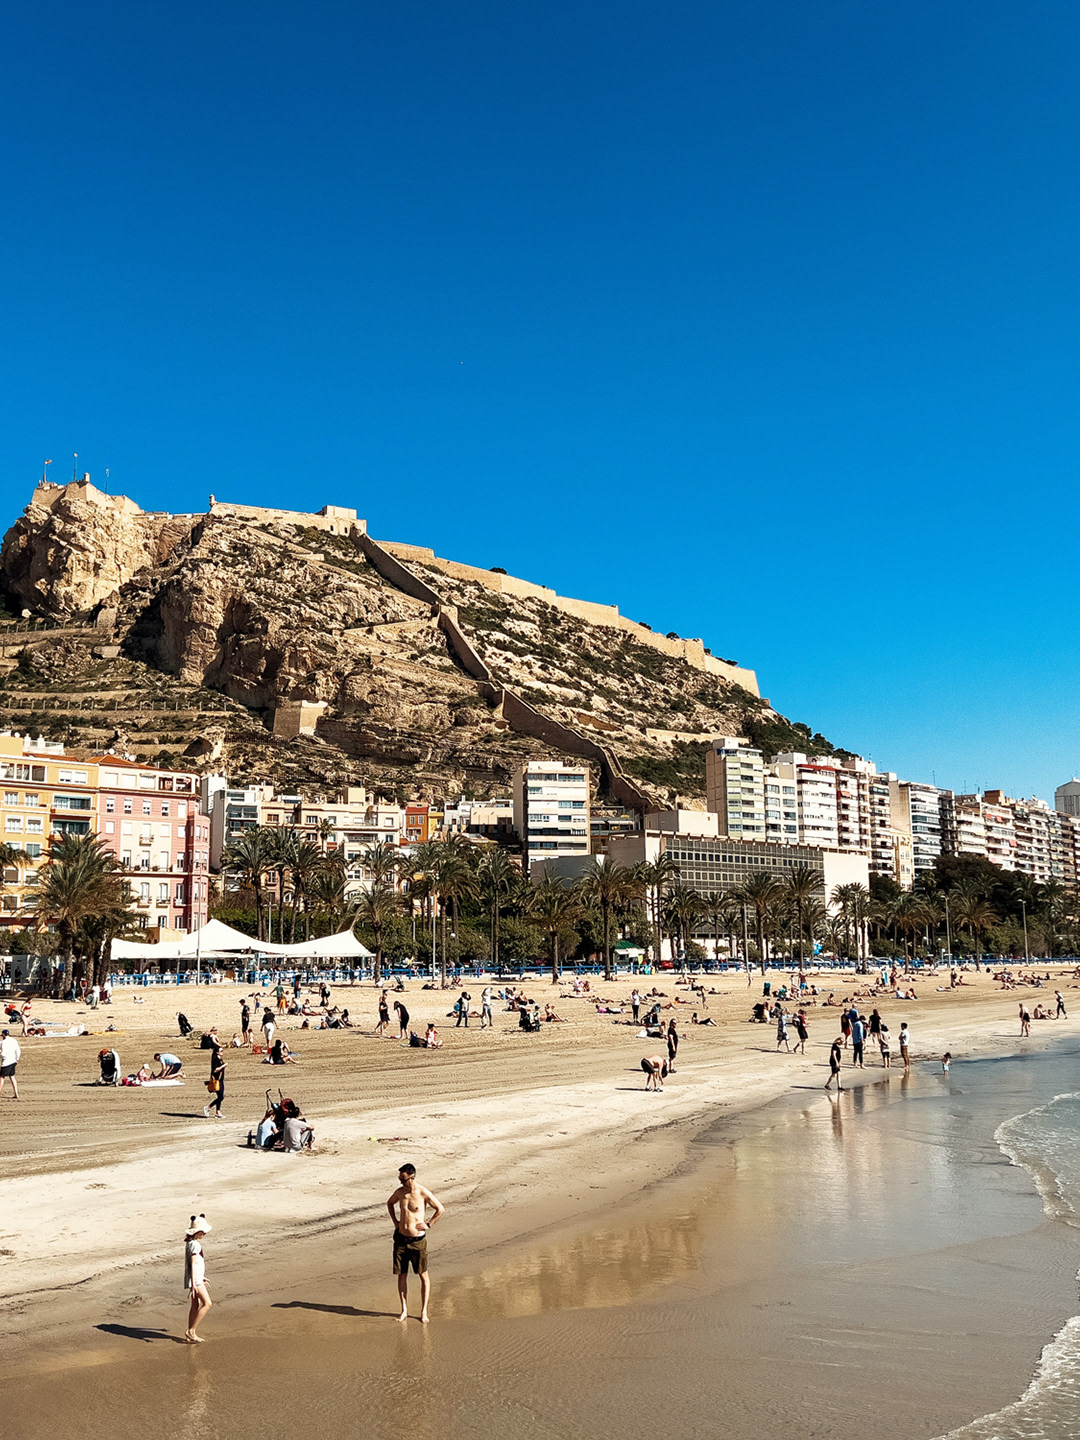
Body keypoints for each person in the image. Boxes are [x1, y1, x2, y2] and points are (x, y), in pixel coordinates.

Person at [387, 1163, 445, 1323]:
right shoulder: (400, 1193)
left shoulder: (422, 1192)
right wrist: (395, 1222)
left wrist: (429, 1224)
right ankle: (404, 1310)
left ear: (412, 1177)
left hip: (417, 1241)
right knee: (401, 1274)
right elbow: (389, 1203)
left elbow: (440, 1209)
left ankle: (423, 1311)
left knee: (423, 1275)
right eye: (399, 1179)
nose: (400, 1182)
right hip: (400, 1238)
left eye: (403, 1179)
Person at [184, 1214, 212, 1343]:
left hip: (195, 1278)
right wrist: (196, 1282)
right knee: (207, 1303)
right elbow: (194, 1262)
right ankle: (191, 1331)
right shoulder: (195, 1245)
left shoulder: (190, 1243)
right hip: (195, 1280)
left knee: (195, 1305)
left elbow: (194, 1264)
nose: (204, 1234)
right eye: (203, 1232)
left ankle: (191, 1333)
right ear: (197, 1232)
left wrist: (202, 1277)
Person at [204, 1034, 227, 1119]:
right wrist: (223, 1066)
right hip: (217, 1080)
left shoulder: (219, 1059)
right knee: (221, 1097)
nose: (222, 1052)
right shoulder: (216, 1060)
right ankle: (208, 1107)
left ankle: (218, 1112)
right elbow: (215, 1070)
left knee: (220, 1096)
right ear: (217, 1052)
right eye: (221, 1051)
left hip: (220, 1079)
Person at [0, 1029, 22, 1100]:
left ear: (3, 1035)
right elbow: (18, 1050)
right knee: (12, 1077)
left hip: (6, 1062)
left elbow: (2, 1053)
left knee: (2, 1078)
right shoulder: (14, 1041)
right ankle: (16, 1093)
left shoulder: (2, 1042)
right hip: (13, 1061)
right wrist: (17, 1059)